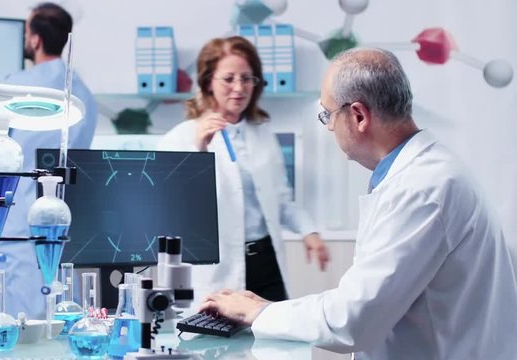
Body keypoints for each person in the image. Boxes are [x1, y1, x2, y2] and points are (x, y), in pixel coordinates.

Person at [198, 47, 517, 359]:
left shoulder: (420, 191)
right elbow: (361, 302)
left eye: (327, 114)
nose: (329, 127)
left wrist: (260, 312)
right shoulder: (425, 174)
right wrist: (267, 309)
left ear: (359, 115)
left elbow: (352, 320)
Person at [157, 36, 329, 303]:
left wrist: (309, 232)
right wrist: (198, 150)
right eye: (229, 79)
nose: (239, 88)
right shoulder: (180, 138)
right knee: (218, 341)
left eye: (247, 78)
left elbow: (281, 202)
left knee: (275, 341)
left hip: (266, 264)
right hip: (219, 271)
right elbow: (176, 211)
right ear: (207, 82)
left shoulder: (263, 134)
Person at [0, 2, 97, 320]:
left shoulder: (17, 86)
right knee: (60, 315)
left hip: (19, 223)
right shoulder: (83, 93)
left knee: (19, 321)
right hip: (67, 221)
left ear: (35, 39)